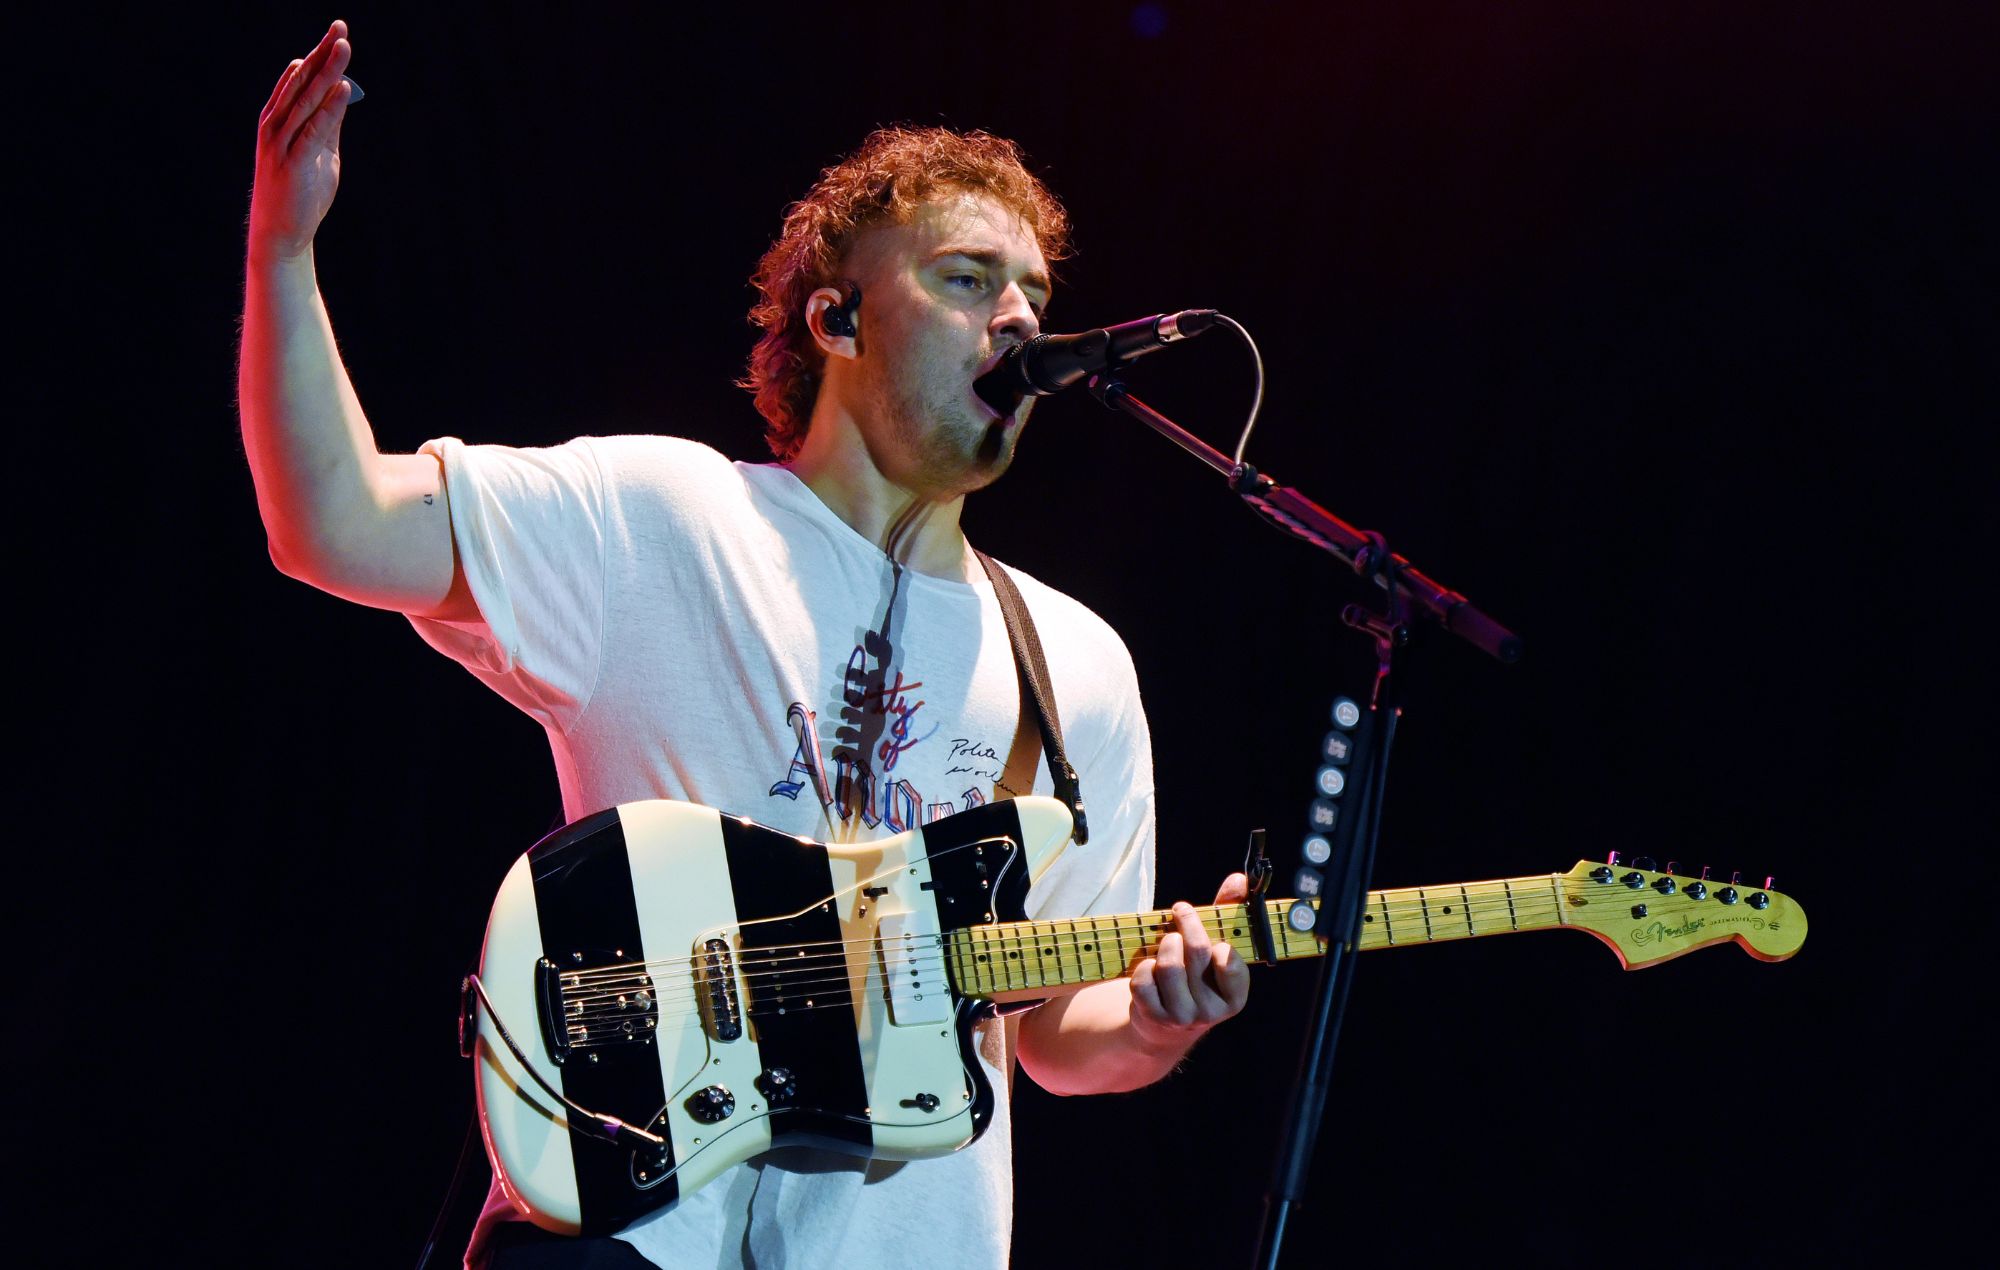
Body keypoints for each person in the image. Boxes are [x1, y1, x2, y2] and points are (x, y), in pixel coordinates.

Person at [241, 20, 1251, 1270]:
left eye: (1035, 293)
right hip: (626, 1230)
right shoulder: (662, 516)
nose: (1015, 317)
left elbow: (1055, 1036)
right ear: (836, 320)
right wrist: (284, 250)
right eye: (964, 278)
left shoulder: (1074, 661)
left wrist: (1159, 1022)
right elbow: (332, 522)